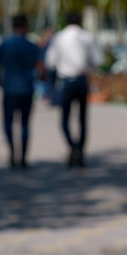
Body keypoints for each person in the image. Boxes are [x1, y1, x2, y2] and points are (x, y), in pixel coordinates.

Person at [44, 12, 103, 168]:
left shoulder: (59, 38)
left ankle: (72, 147)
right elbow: (97, 60)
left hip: (66, 82)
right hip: (82, 81)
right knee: (82, 120)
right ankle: (80, 150)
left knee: (65, 119)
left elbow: (50, 62)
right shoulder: (87, 37)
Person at [0, 14, 43, 169]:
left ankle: (12, 149)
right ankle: (22, 157)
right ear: (25, 25)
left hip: (9, 90)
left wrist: (0, 80)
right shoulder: (31, 45)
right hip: (27, 90)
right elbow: (41, 69)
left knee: (8, 123)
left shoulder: (4, 44)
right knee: (24, 124)